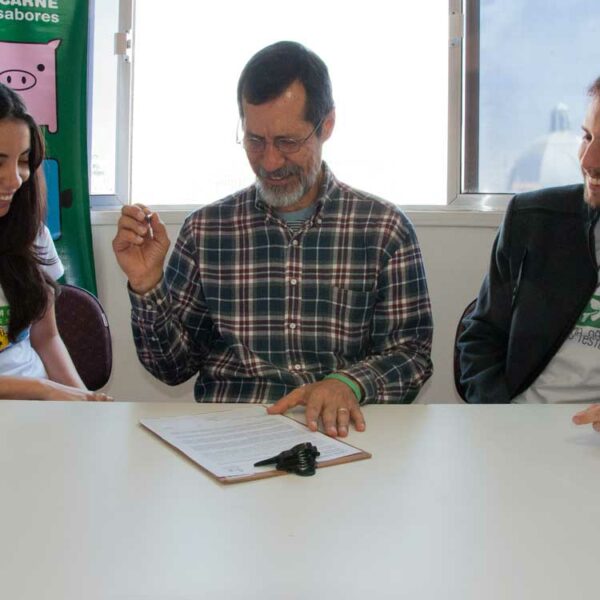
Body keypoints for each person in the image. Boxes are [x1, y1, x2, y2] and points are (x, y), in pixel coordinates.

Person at [113, 41, 433, 436]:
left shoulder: (383, 229)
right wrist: (147, 286)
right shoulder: (206, 230)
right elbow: (171, 368)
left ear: (327, 125)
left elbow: (412, 354)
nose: (269, 161)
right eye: (255, 140)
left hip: (337, 431)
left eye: (287, 142)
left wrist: (348, 383)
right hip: (227, 432)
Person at [458, 76, 600, 431]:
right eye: (587, 137)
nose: (588, 160)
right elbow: (480, 335)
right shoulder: (533, 218)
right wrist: (501, 415)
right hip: (521, 423)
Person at [0, 83, 110, 401]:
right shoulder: (42, 389)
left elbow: (46, 339)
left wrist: (86, 402)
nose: (15, 179)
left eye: (23, 161)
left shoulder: (31, 235)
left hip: (41, 412)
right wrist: (43, 389)